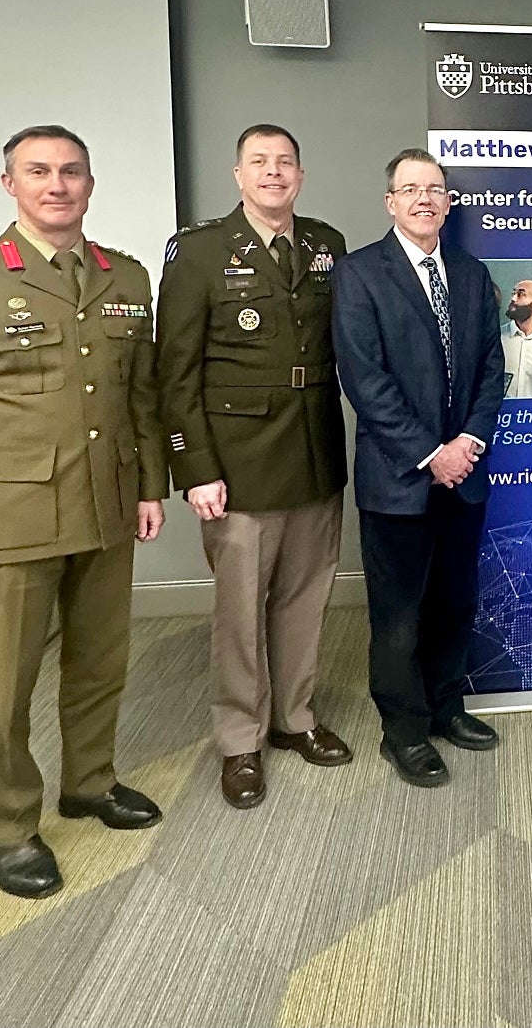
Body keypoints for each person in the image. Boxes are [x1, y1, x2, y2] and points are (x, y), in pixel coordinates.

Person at [0, 126, 168, 899]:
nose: (56, 184)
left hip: (104, 505)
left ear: (90, 183)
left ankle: (89, 781)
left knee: (100, 664)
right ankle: (10, 826)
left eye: (71, 171)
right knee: (2, 686)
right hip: (11, 519)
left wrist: (149, 484)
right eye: (39, 171)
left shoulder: (123, 274)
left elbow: (140, 395)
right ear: (9, 184)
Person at [155, 124, 351, 811]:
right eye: (259, 162)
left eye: (285, 162)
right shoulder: (201, 251)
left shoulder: (326, 245)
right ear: (238, 175)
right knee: (240, 609)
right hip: (235, 464)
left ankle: (293, 716)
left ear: (300, 173)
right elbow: (174, 372)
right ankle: (240, 737)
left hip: (315, 449)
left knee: (305, 596)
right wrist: (195, 467)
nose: (274, 173)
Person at [332, 148, 504, 789]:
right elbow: (364, 379)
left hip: (467, 474)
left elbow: (492, 366)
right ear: (391, 203)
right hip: (398, 479)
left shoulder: (469, 270)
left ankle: (446, 709)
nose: (425, 198)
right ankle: (403, 732)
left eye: (435, 188)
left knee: (455, 602)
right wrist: (433, 454)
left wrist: (468, 444)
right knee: (399, 615)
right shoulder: (359, 274)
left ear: (449, 201)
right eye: (411, 189)